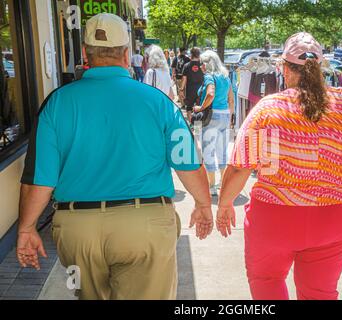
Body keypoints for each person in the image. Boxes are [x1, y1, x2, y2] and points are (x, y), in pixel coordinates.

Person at [15, 13, 213, 300]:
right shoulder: (158, 102)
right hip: (145, 227)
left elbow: (39, 180)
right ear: (126, 53)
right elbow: (188, 162)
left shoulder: (56, 103)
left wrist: (26, 228)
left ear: (85, 53)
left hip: (77, 230)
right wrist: (203, 204)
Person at [216, 32, 342, 300]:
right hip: (338, 217)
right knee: (320, 293)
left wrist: (225, 204)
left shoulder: (269, 108)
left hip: (276, 217)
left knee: (266, 282)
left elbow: (240, 166)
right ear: (322, 67)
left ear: (283, 68)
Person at [194, 50, 234, 196]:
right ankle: (223, 184)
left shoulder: (209, 77)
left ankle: (211, 186)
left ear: (208, 63)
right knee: (222, 151)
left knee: (208, 150)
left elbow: (210, 94)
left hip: (211, 116)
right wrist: (230, 116)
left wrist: (200, 107)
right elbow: (231, 98)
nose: (201, 66)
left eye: (202, 63)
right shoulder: (225, 76)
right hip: (224, 115)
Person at [181, 47, 204, 123]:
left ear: (191, 54)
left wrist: (181, 90)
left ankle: (191, 124)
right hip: (201, 90)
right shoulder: (203, 65)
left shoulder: (186, 65)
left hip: (190, 91)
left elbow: (184, 80)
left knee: (189, 108)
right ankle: (197, 127)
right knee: (199, 108)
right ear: (199, 54)